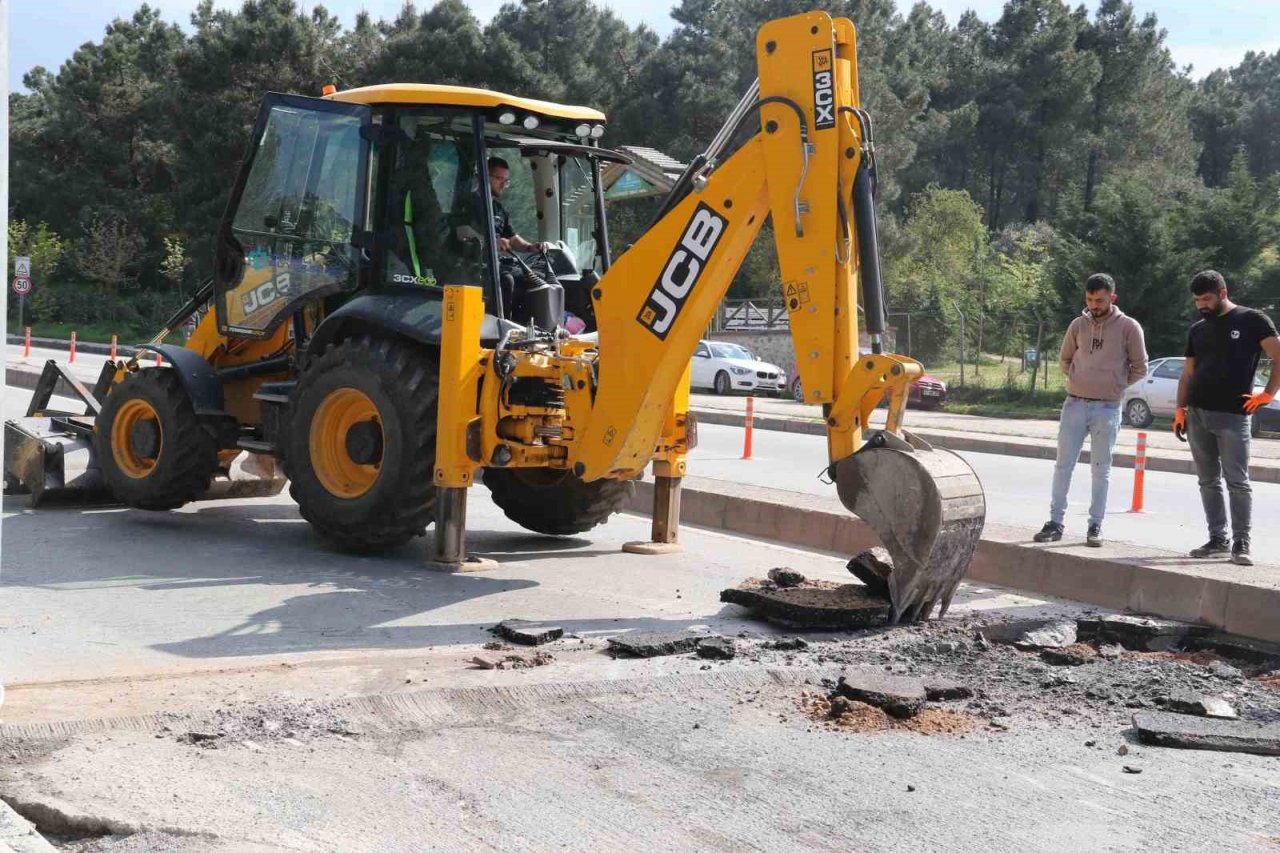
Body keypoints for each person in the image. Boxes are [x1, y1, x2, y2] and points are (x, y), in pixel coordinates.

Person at [1034, 273, 1148, 547]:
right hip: (1074, 403)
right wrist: (1078, 377)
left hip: (1107, 408)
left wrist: (1115, 385)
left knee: (1101, 469)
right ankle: (1055, 522)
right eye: (1089, 299)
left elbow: (1140, 367)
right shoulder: (1077, 325)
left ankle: (1095, 524)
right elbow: (1064, 359)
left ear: (1112, 297)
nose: (1094, 305)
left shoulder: (1129, 327)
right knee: (1063, 466)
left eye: (1100, 300)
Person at [1175, 270, 1280, 566]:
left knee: (1238, 481)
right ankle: (1217, 540)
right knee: (1207, 480)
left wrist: (1268, 394)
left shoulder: (1253, 320)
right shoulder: (1197, 329)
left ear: (1222, 293)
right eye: (1197, 300)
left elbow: (1279, 357)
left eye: (1206, 299)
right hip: (1197, 414)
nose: (1201, 306)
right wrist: (1180, 410)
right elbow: (1188, 373)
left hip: (1234, 416)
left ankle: (1241, 542)